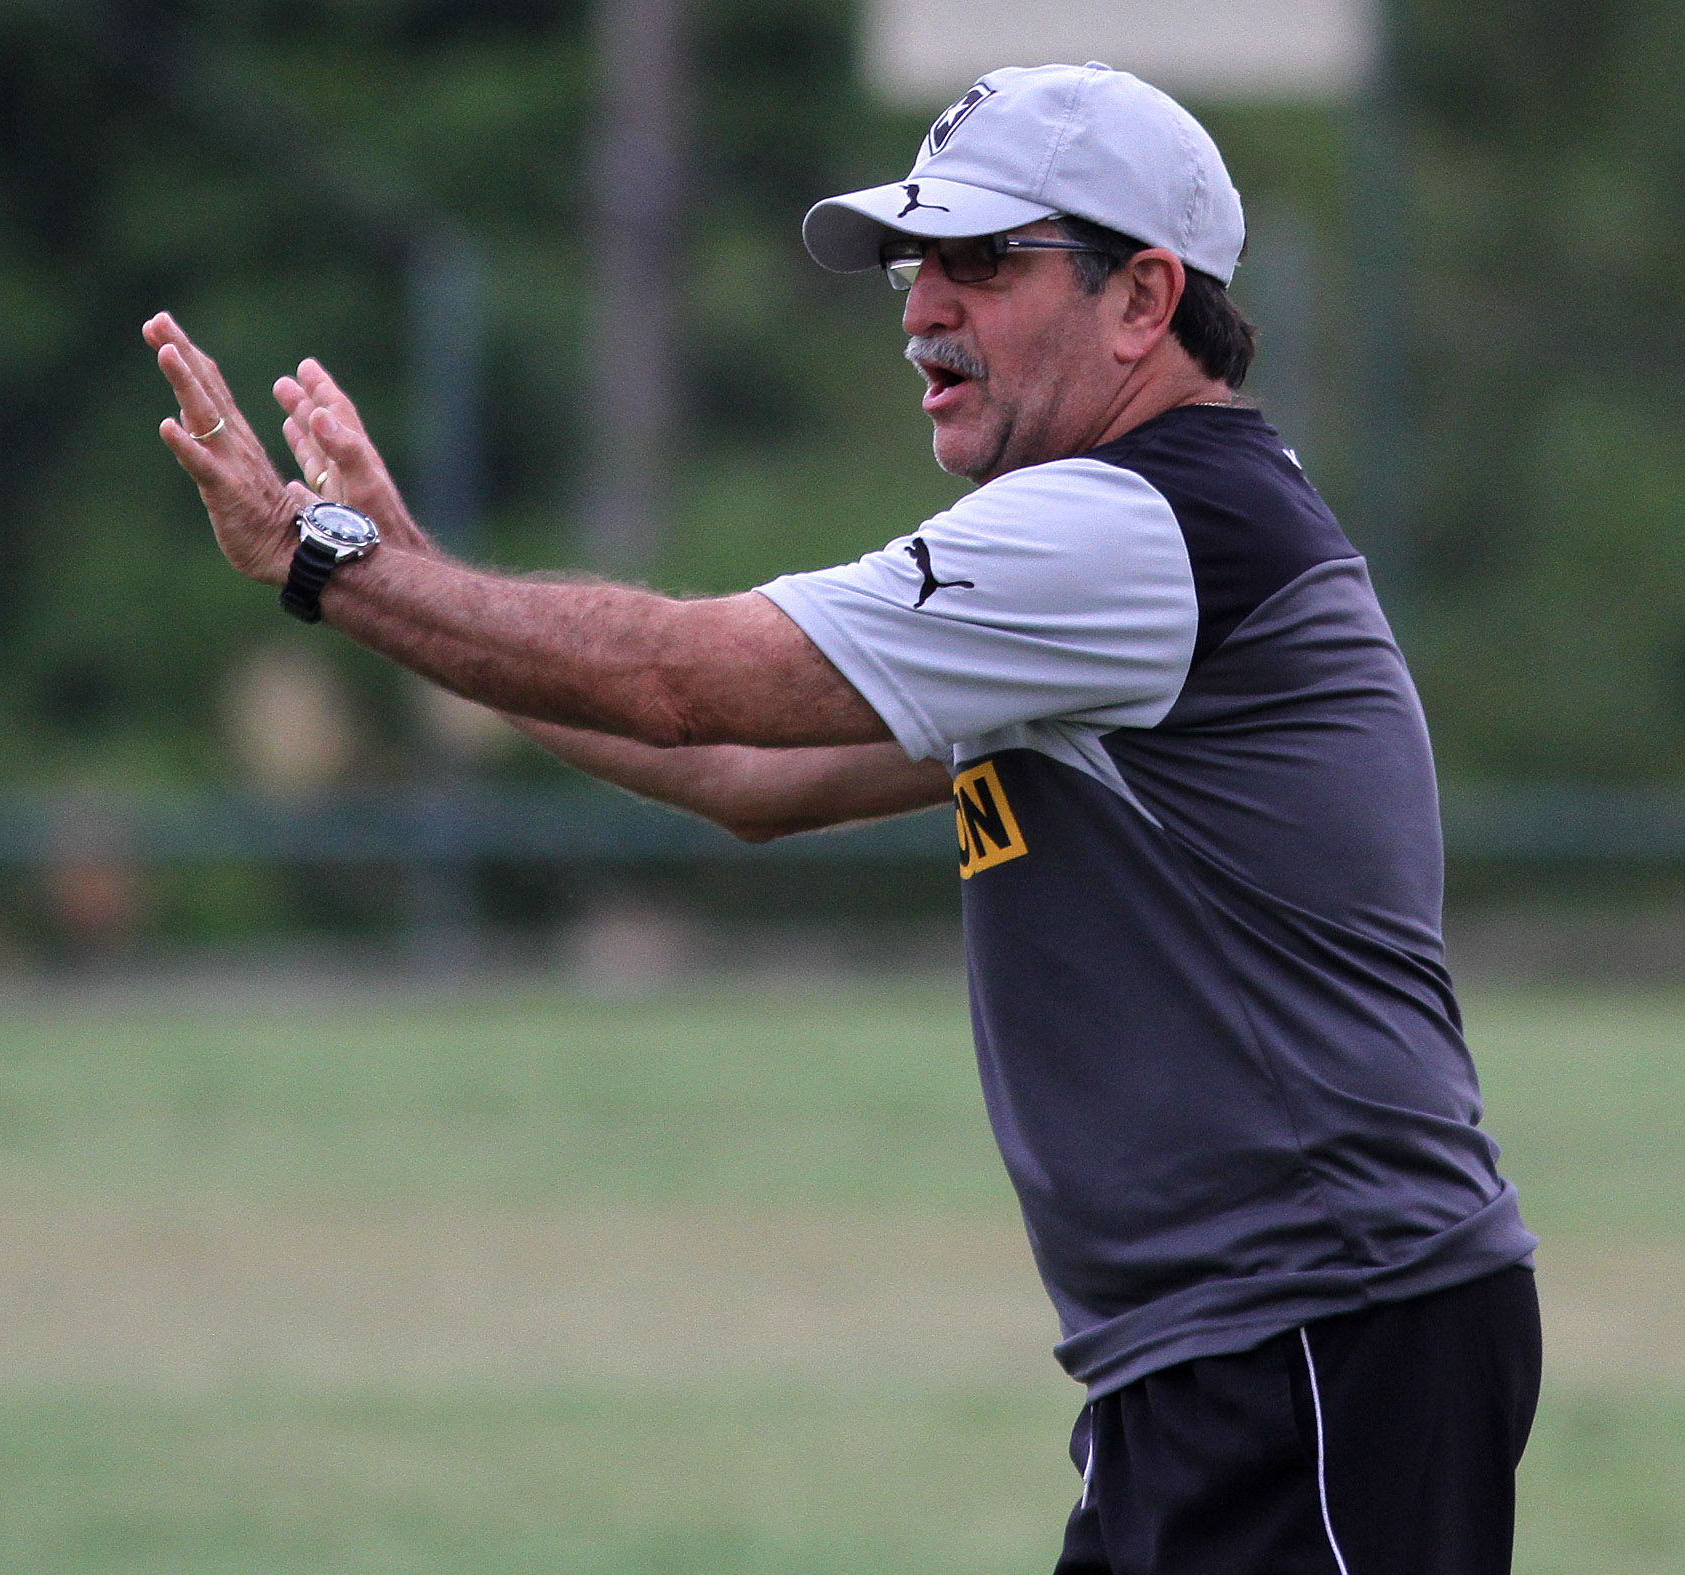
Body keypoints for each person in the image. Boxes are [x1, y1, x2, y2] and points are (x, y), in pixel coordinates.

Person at [146, 61, 1540, 1574]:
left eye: (982, 260)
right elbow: (747, 776)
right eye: (911, 261)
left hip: (1320, 1331)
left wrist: (329, 564)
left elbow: (693, 682)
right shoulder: (1125, 537)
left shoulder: (1132, 525)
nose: (919, 308)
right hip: (1246, 1344)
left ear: (1144, 299)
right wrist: (398, 581)